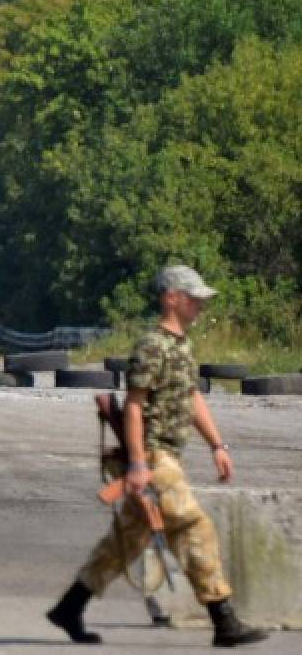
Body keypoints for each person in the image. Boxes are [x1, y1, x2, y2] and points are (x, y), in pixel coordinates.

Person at [46, 265, 268, 648]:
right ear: (171, 298)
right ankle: (224, 619)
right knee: (196, 528)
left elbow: (192, 398)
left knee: (124, 543)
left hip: (165, 456)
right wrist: (136, 464)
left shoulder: (182, 346)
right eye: (193, 297)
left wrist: (218, 445)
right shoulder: (152, 345)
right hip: (153, 456)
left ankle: (70, 606)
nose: (200, 304)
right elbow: (134, 407)